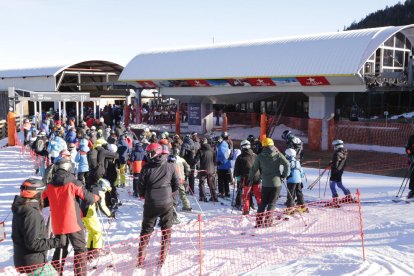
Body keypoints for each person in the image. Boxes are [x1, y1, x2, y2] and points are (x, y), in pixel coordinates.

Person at [42, 156, 99, 275]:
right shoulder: (73, 182)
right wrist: (96, 195)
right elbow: (89, 198)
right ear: (68, 167)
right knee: (80, 249)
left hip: (58, 224)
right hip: (73, 222)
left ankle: (56, 273)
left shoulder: (50, 185)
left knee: (60, 248)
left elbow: (42, 201)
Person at [12, 178, 67, 275]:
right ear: (38, 194)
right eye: (43, 193)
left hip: (25, 260)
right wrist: (56, 242)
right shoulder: (31, 214)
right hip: (34, 263)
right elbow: (33, 243)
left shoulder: (21, 209)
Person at [137, 143, 179, 267]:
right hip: (166, 202)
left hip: (152, 202)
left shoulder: (147, 168)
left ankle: (141, 258)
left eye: (149, 153)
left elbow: (140, 186)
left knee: (146, 230)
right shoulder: (170, 166)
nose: (147, 155)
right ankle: (162, 256)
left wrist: (144, 195)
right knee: (166, 229)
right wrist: (170, 193)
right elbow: (176, 184)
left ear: (155, 153)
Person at [248, 138, 290, 228]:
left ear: (263, 146)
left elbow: (254, 168)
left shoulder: (260, 156)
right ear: (272, 145)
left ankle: (259, 222)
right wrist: (284, 175)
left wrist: (250, 178)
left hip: (265, 184)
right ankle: (268, 221)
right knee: (272, 203)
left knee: (263, 203)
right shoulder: (277, 154)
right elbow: (287, 164)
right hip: (276, 183)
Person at [81, 178, 115, 260]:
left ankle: (90, 252)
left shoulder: (92, 187)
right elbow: (102, 206)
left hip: (82, 212)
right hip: (90, 212)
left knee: (92, 232)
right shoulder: (100, 191)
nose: (105, 192)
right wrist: (110, 214)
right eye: (106, 190)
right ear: (104, 187)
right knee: (98, 232)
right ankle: (96, 252)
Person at [234, 140, 261, 215]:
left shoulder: (241, 157)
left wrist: (238, 178)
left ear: (242, 147)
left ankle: (246, 210)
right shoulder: (255, 155)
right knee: (258, 193)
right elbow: (260, 166)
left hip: (247, 177)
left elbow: (237, 169)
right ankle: (261, 207)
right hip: (257, 177)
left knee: (246, 194)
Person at [195, 138, 218, 202]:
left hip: (203, 170)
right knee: (211, 183)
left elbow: (196, 160)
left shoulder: (200, 150)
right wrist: (214, 169)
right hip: (211, 170)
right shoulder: (212, 150)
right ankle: (214, 197)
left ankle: (203, 197)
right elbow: (215, 161)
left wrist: (192, 162)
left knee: (201, 183)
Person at [284, 148, 306, 214]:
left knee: (291, 194)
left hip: (291, 180)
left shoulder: (289, 162)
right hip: (298, 180)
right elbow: (301, 171)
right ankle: (302, 206)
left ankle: (290, 208)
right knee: (299, 193)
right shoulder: (297, 162)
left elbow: (287, 172)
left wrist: (284, 176)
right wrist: (301, 177)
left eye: (286, 155)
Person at [171, 147, 192, 211]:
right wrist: (186, 173)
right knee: (182, 193)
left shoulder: (170, 159)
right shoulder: (182, 159)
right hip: (181, 179)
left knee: (172, 193)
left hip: (173, 179)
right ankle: (187, 206)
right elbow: (188, 168)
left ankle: (173, 207)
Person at [405, 134, 414, 199]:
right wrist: (410, 155)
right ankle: (412, 191)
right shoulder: (411, 137)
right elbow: (407, 148)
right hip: (412, 160)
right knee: (412, 175)